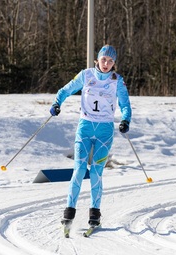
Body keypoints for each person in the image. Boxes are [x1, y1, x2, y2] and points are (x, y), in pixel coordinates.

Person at [50, 44, 132, 229]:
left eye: (111, 61)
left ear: (114, 63)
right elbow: (65, 90)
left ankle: (94, 213)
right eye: (104, 59)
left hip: (104, 132)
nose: (106, 64)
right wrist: (57, 103)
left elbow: (126, 105)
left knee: (96, 172)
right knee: (79, 169)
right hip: (85, 128)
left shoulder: (117, 80)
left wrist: (125, 120)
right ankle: (69, 211)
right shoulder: (85, 75)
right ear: (97, 59)